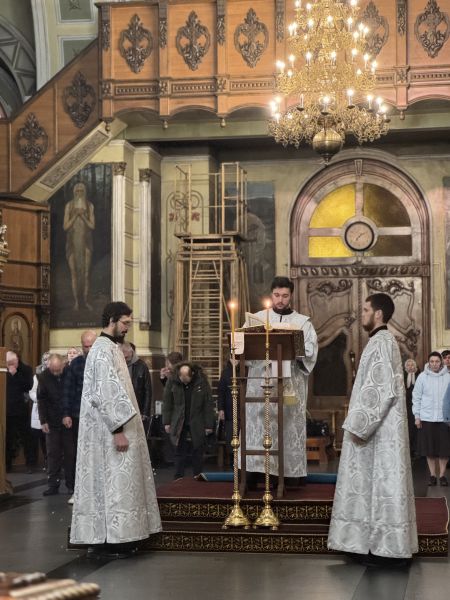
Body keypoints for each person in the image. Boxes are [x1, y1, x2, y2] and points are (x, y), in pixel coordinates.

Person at [328, 293, 418, 566]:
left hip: (379, 431)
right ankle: (366, 544)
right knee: (373, 487)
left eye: (366, 309)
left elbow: (379, 390)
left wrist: (357, 426)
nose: (362, 314)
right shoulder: (381, 341)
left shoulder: (382, 342)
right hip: (381, 428)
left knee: (381, 486)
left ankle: (384, 550)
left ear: (378, 314)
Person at [70, 302, 161, 558]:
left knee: (115, 483)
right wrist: (118, 429)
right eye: (125, 323)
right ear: (111, 319)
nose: (127, 328)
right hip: (109, 433)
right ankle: (112, 540)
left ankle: (119, 537)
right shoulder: (102, 350)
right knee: (113, 484)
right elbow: (106, 393)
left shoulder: (111, 348)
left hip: (111, 429)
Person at [240, 276, 318, 485]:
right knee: (260, 426)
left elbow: (310, 352)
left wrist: (295, 348)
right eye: (276, 295)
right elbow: (242, 346)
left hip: (288, 385)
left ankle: (288, 476)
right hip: (260, 383)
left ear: (291, 296)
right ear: (271, 295)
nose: (280, 300)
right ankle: (255, 473)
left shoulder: (302, 323)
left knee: (286, 427)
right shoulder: (257, 319)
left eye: (285, 296)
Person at [163, 362, 215, 480]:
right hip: (178, 420)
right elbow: (167, 403)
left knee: (198, 448)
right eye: (182, 380)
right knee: (178, 449)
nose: (185, 383)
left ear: (192, 375)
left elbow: (208, 404)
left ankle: (198, 475)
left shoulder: (201, 381)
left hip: (197, 419)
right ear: (179, 375)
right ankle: (178, 477)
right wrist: (167, 422)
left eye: (187, 380)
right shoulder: (172, 381)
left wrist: (209, 424)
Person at [62, 330, 97, 504]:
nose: (88, 349)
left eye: (91, 346)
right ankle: (78, 490)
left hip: (98, 416)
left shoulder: (103, 362)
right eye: (85, 346)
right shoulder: (75, 364)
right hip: (78, 415)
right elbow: (67, 390)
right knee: (77, 454)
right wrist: (66, 413)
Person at [37, 354, 74, 496]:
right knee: (53, 454)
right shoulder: (44, 377)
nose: (56, 373)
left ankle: (71, 485)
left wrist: (68, 414)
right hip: (51, 421)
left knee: (70, 454)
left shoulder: (69, 374)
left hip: (68, 421)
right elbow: (41, 400)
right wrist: (43, 421)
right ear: (49, 367)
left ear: (63, 365)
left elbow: (72, 395)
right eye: (53, 370)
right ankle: (53, 485)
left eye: (58, 370)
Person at [413, 351, 450, 486]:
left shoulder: (448, 377)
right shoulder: (422, 377)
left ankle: (442, 475)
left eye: (437, 361)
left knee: (444, 450)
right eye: (432, 361)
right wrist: (417, 416)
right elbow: (416, 397)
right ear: (428, 363)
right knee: (430, 450)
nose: (434, 364)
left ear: (441, 362)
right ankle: (433, 475)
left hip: (444, 419)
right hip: (427, 418)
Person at [63, 181, 95, 311]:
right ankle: (76, 301)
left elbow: (92, 226)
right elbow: (65, 227)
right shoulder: (69, 206)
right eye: (77, 191)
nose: (79, 193)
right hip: (72, 243)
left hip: (86, 243)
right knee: (74, 273)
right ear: (74, 192)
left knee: (85, 274)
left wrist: (83, 216)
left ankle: (85, 301)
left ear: (85, 192)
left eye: (82, 191)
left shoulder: (90, 206)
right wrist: (76, 214)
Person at [5, 351, 33, 472]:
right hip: (6, 410)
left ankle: (30, 463)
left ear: (17, 360)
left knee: (26, 438)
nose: (11, 365)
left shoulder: (26, 369)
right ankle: (6, 464)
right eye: (8, 363)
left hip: (21, 409)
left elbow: (28, 386)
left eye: (13, 362)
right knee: (7, 438)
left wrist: (15, 374)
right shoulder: (3, 369)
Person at [121, 342, 153, 432]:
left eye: (126, 357)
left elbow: (148, 390)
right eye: (122, 357)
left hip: (138, 406)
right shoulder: (118, 364)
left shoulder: (142, 366)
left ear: (131, 352)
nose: (124, 360)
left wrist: (145, 412)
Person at [29, 352, 51, 471]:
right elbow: (32, 391)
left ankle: (49, 462)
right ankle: (34, 463)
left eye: (49, 359)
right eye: (45, 359)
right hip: (39, 408)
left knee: (49, 438)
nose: (47, 361)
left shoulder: (56, 373)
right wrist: (38, 399)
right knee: (39, 437)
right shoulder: (37, 376)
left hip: (51, 409)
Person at [404, 358, 421, 458]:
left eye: (412, 365)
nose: (410, 367)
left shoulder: (420, 376)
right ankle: (409, 449)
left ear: (415, 366)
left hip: (418, 405)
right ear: (405, 367)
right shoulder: (403, 376)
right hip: (407, 406)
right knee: (409, 427)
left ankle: (417, 449)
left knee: (417, 428)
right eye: (408, 365)